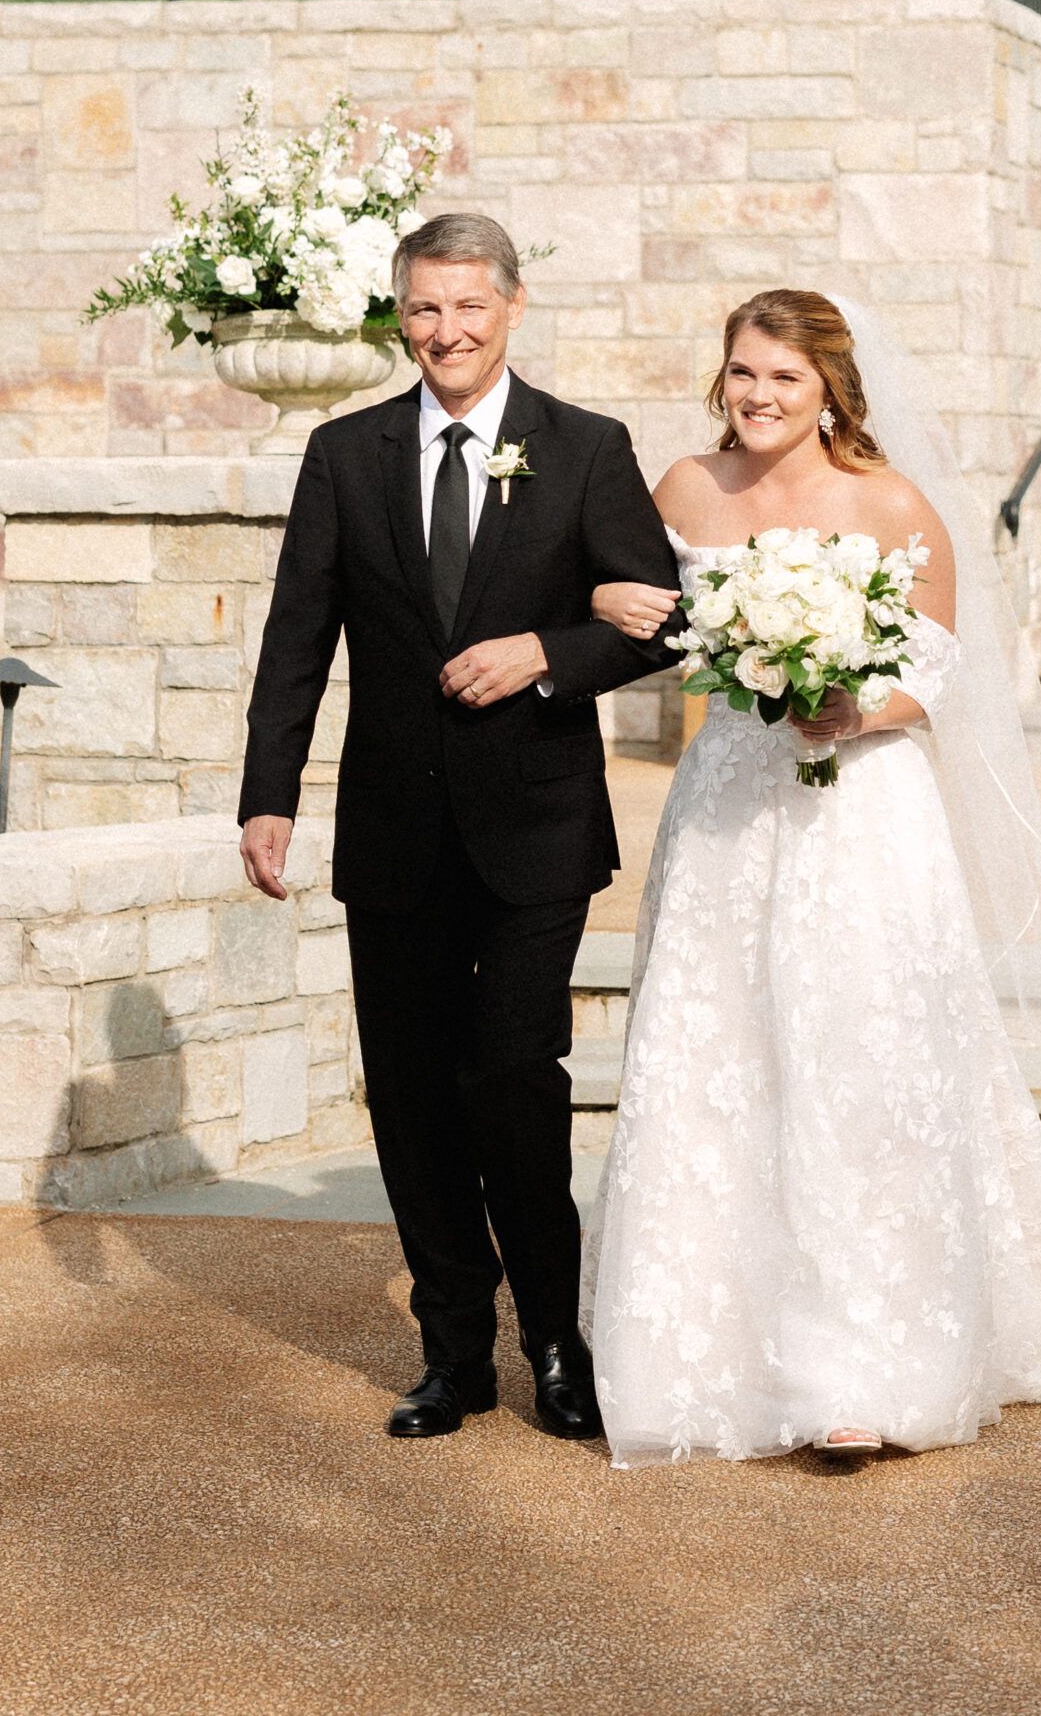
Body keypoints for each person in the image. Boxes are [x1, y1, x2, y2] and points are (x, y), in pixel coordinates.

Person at [581, 288, 1041, 1464]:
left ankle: (862, 1367)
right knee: (713, 1054)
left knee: (858, 1068)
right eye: (742, 373)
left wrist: (852, 704)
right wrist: (604, 599)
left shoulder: (888, 500)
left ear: (830, 386)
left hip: (860, 811)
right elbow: (631, 616)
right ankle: (695, 1358)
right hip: (726, 803)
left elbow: (943, 670)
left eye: (783, 376)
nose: (759, 396)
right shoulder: (680, 488)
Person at [238, 212, 678, 1441]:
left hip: (536, 828)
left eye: (470, 307)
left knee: (515, 1077)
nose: (447, 331)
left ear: (514, 307)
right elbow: (297, 637)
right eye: (425, 309)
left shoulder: (587, 449)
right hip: (389, 829)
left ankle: (553, 1339)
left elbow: (666, 621)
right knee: (414, 1090)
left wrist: (546, 650)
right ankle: (451, 1351)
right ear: (398, 315)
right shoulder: (344, 452)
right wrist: (268, 794)